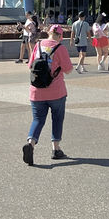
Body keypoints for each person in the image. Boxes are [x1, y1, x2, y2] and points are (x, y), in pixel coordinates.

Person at [22, 23, 74, 165]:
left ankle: (31, 143)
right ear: (59, 36)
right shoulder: (60, 48)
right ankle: (55, 149)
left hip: (36, 91)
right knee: (57, 118)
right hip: (56, 91)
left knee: (38, 119)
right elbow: (68, 70)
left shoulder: (38, 46)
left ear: (49, 33)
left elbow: (30, 66)